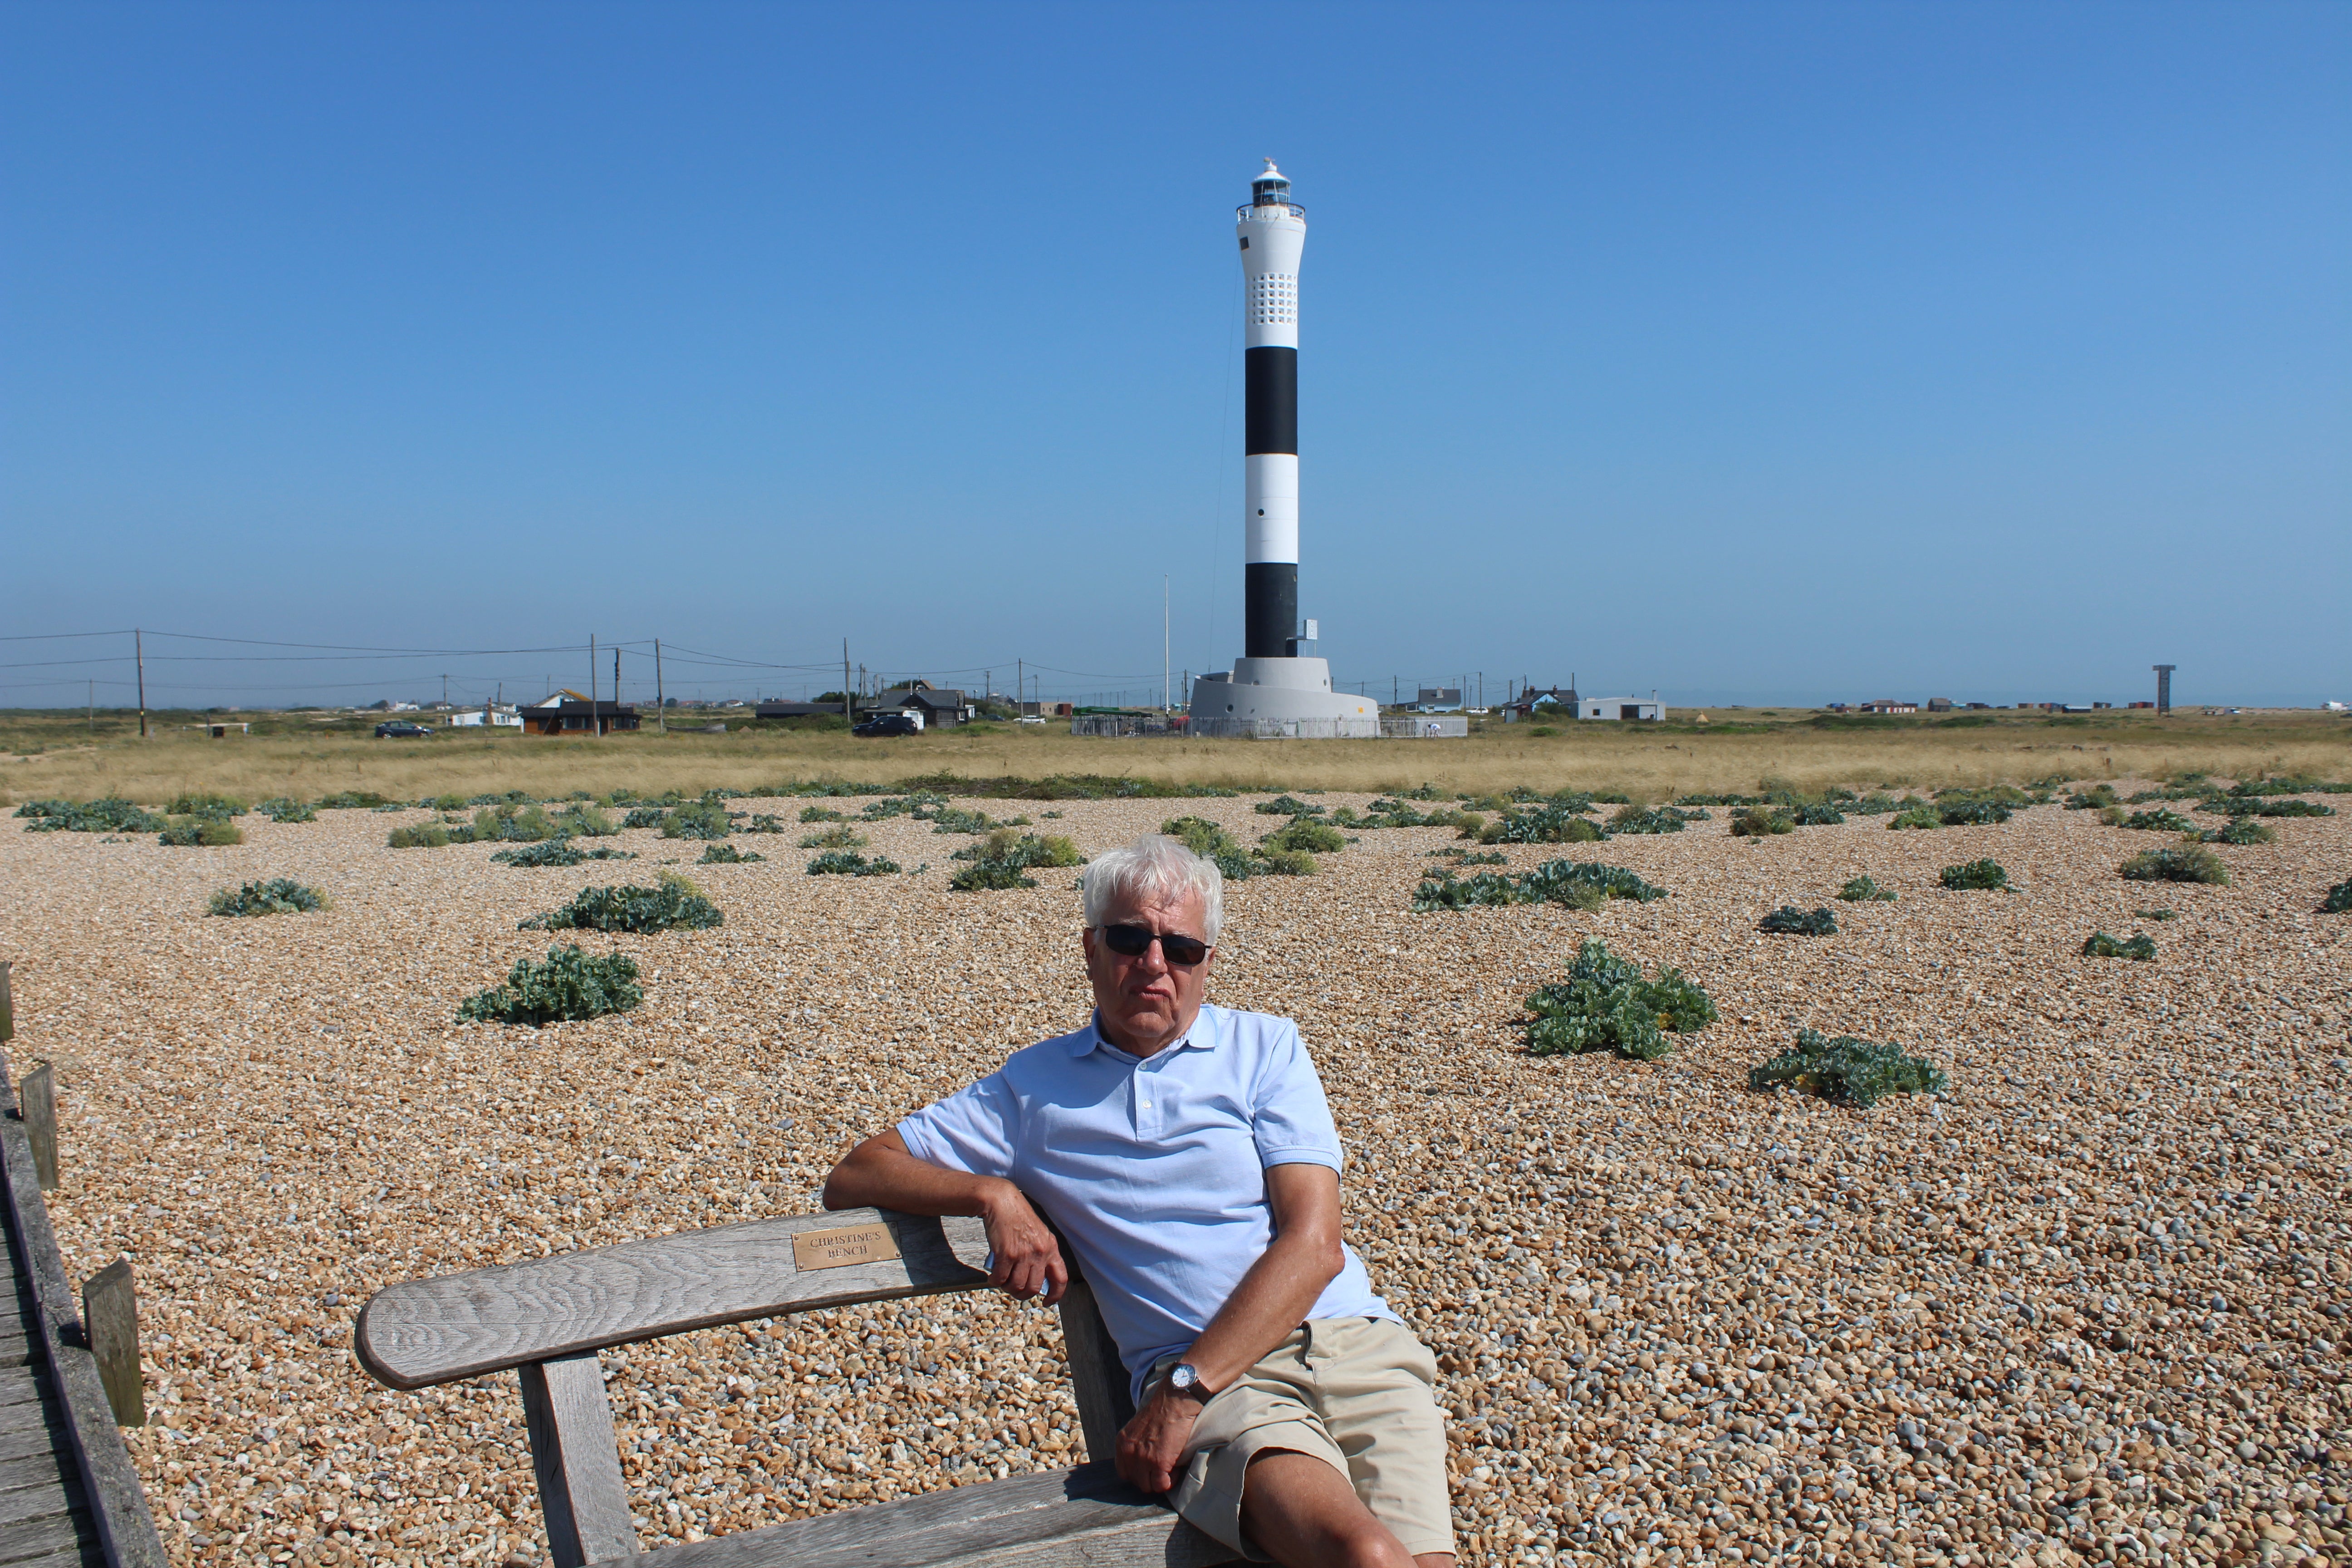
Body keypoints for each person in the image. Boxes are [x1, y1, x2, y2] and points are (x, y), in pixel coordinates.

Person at [824, 833, 1453, 1568]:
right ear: (1091, 948)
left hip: (1353, 1344)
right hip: (1232, 1392)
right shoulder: (1034, 1089)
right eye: (1130, 939)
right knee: (1367, 1557)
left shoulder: (1267, 1049)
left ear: (1207, 963)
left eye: (1180, 948)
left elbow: (1314, 1245)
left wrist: (1180, 1396)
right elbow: (857, 1173)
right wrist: (991, 1192)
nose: (1154, 965)